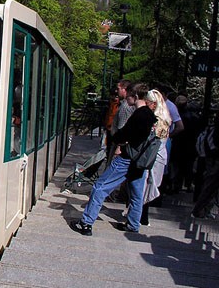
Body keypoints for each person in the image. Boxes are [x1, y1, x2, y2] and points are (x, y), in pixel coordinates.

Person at [71, 83, 156, 236]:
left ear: (135, 96)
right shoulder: (150, 115)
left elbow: (121, 136)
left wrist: (119, 141)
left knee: (99, 187)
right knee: (136, 195)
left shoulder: (138, 115)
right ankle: (133, 225)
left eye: (129, 95)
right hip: (140, 161)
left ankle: (86, 223)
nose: (127, 99)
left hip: (126, 158)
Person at [140, 89, 172, 226]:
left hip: (151, 157)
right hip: (159, 157)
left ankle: (141, 216)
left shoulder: (155, 120)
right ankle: (142, 216)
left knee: (144, 187)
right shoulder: (165, 119)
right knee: (148, 187)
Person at [192, 111, 219, 219]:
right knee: (210, 186)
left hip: (213, 157)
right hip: (215, 158)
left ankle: (202, 210)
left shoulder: (215, 124)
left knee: (210, 186)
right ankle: (199, 210)